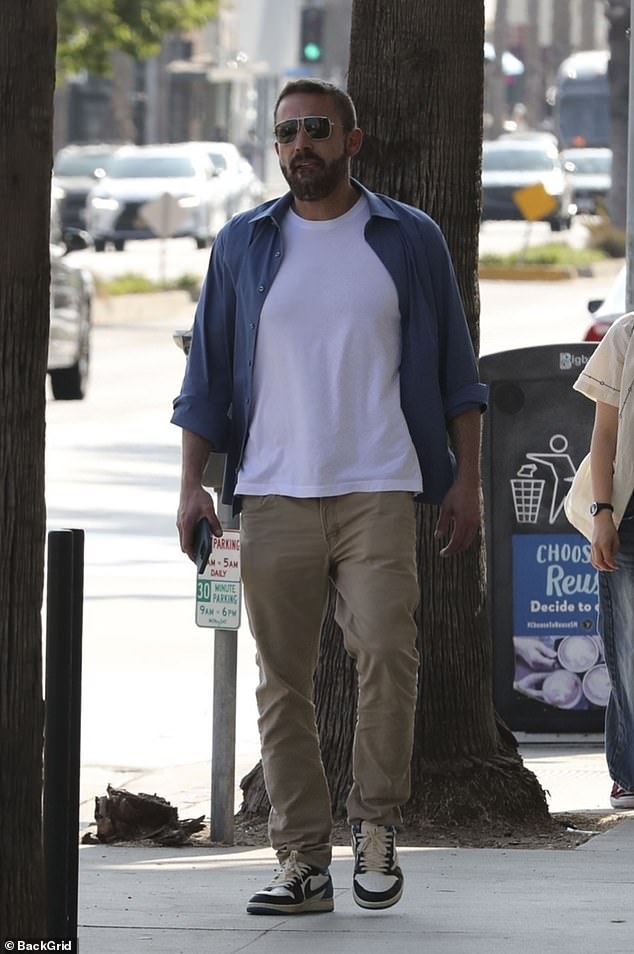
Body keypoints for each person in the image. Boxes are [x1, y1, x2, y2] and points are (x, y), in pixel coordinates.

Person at [172, 78, 488, 915]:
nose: (299, 145)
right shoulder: (242, 245)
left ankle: (375, 828)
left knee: (388, 653)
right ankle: (302, 860)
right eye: (285, 134)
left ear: (352, 140)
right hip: (271, 493)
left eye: (316, 129)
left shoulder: (407, 238)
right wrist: (191, 490)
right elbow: (203, 379)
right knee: (283, 682)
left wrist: (467, 481)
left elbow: (460, 375)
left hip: (379, 486)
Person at [569, 311, 634, 810]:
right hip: (628, 515)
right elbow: (605, 435)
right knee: (628, 649)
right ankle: (629, 768)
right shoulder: (626, 334)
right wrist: (603, 513)